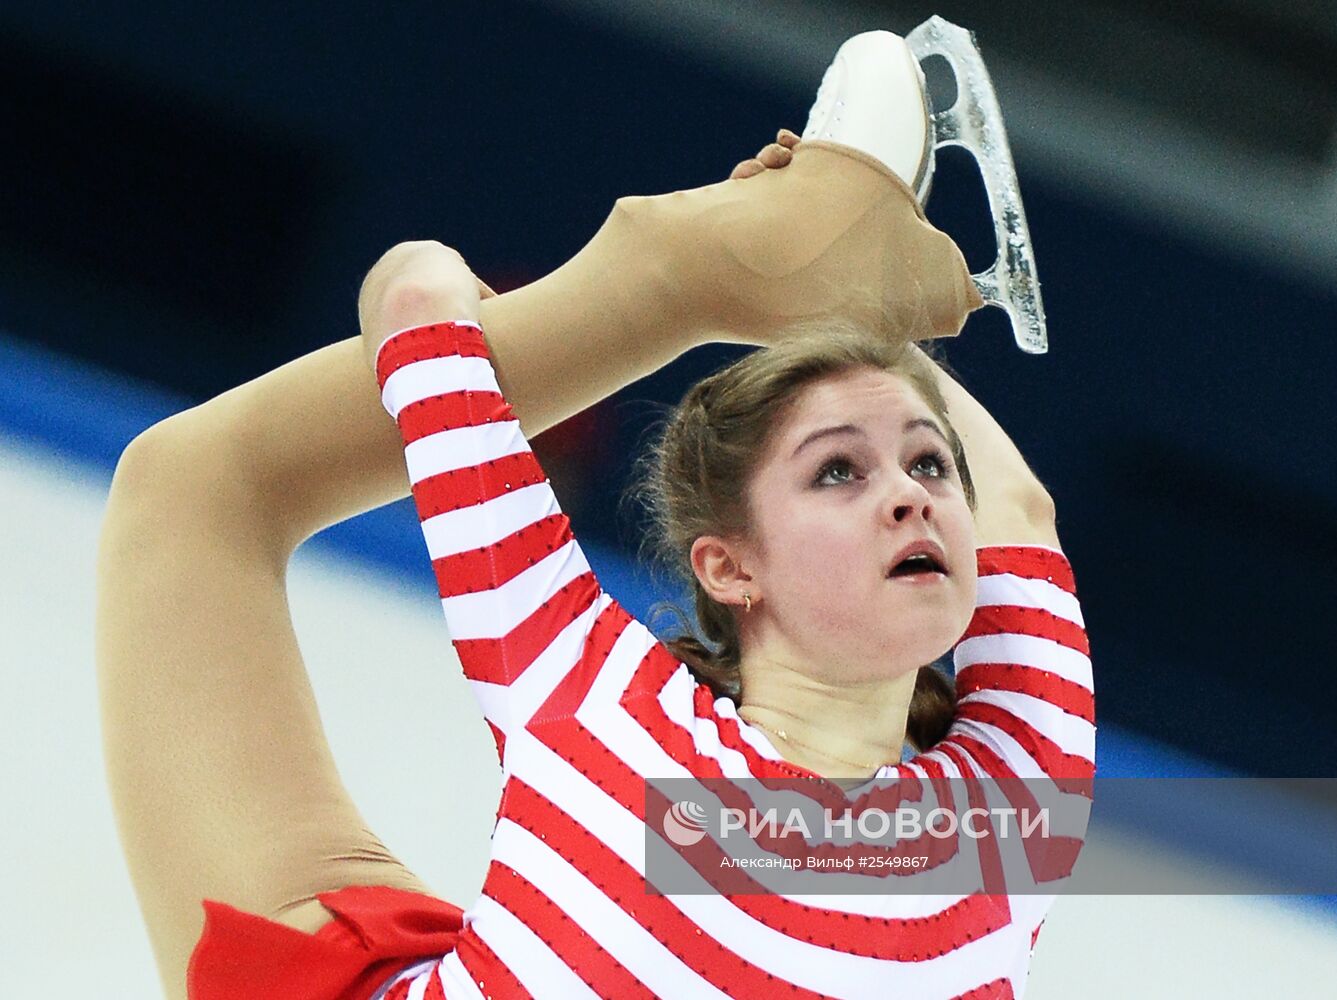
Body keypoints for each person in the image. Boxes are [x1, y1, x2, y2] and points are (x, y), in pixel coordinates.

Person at [97, 33, 1092, 1000]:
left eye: (925, 463)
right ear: (732, 566)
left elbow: (413, 298)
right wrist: (854, 301)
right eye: (845, 473)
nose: (915, 492)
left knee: (199, 487)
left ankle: (682, 279)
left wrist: (810, 289)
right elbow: (1017, 514)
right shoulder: (1011, 809)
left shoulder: (608, 717)